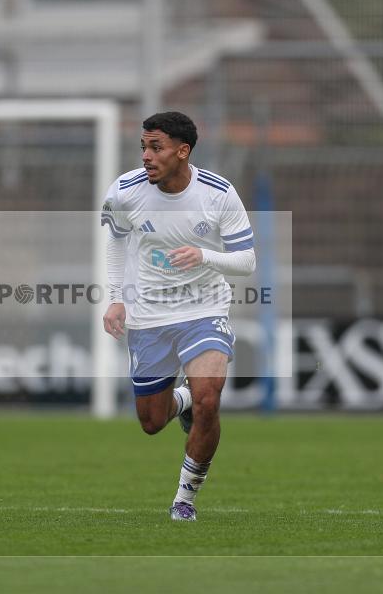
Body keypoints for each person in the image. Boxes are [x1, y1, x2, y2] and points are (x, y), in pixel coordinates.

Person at [101, 111, 256, 521]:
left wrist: (203, 255)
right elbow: (115, 244)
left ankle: (184, 499)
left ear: (182, 151)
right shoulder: (125, 193)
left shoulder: (219, 194)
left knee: (210, 398)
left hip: (204, 308)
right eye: (143, 148)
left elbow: (247, 261)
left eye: (157, 147)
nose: (147, 156)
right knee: (152, 422)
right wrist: (117, 298)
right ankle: (181, 399)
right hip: (150, 313)